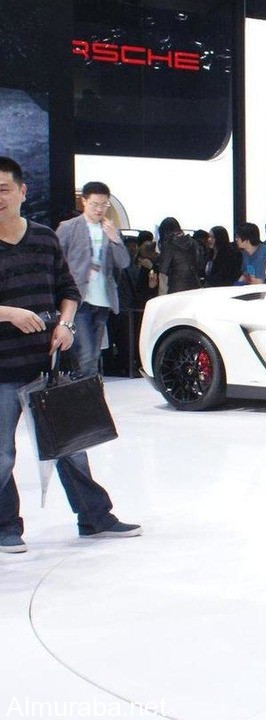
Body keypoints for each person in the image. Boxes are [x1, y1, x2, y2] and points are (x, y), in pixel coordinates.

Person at [0, 157, 141, 553]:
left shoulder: (45, 238)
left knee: (71, 446)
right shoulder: (63, 231)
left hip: (48, 364)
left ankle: (95, 518)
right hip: (3, 368)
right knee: (3, 454)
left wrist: (65, 324)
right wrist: (10, 314)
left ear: (22, 191)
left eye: (3, 189)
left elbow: (69, 290)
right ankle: (6, 526)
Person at [54, 181, 131, 376]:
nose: (99, 209)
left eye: (104, 204)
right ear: (84, 201)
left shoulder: (109, 229)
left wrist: (115, 239)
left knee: (94, 354)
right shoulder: (69, 227)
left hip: (103, 300)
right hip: (77, 299)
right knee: (86, 353)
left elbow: (123, 262)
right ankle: (85, 391)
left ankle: (86, 390)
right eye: (95, 204)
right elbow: (54, 260)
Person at [156, 216, 203, 294]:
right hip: (195, 286)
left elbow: (163, 275)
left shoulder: (168, 245)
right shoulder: (193, 243)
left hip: (176, 289)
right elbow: (199, 264)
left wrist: (161, 297)